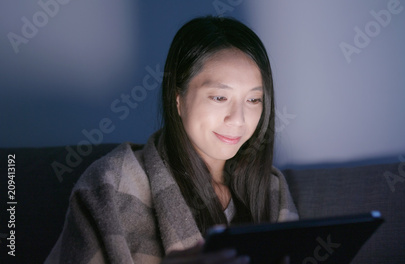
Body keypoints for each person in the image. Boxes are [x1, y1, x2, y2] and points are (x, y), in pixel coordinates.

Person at [45, 16, 298, 264]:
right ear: (178, 98)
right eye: (220, 97)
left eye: (253, 100)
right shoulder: (112, 184)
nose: (238, 119)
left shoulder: (272, 190)